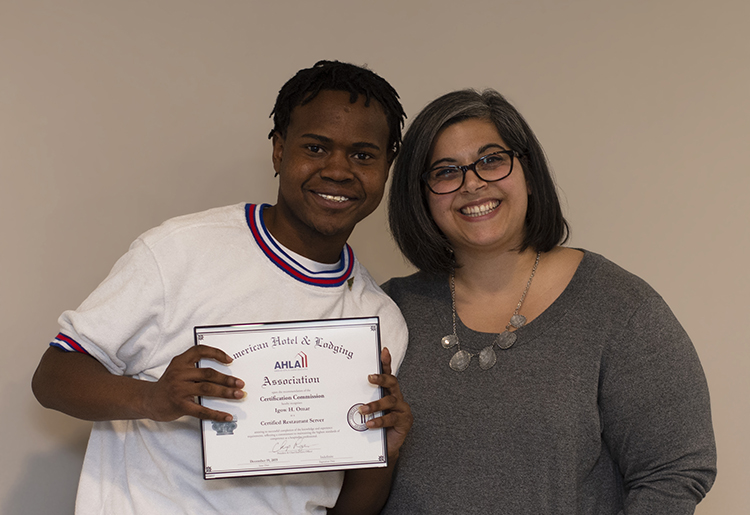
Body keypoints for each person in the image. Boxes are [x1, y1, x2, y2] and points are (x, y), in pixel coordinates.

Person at [31, 60, 412, 515]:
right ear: (278, 151)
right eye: (316, 147)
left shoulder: (381, 320)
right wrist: (153, 398)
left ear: (387, 168)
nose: (338, 169)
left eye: (363, 155)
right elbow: (52, 378)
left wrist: (383, 453)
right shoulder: (181, 250)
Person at [380, 89, 716, 514]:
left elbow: (676, 469)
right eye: (446, 172)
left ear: (529, 173)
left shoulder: (618, 308)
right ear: (422, 196)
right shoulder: (388, 310)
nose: (472, 184)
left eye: (491, 160)